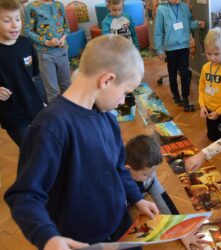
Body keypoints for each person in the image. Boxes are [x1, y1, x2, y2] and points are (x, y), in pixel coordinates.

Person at [5, 35, 159, 250]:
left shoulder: (108, 119)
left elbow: (119, 168)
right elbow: (24, 195)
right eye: (125, 93)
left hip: (121, 227)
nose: (123, 101)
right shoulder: (50, 127)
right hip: (82, 241)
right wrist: (48, 238)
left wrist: (136, 198)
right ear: (106, 80)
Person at [125, 134, 208, 250]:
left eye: (153, 171)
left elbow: (162, 199)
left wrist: (181, 230)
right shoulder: (115, 186)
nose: (150, 176)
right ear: (127, 168)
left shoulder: (148, 175)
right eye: (145, 174)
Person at [0, 0, 45, 147]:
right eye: (7, 20)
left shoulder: (26, 43)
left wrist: (42, 101)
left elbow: (35, 76)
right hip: (13, 115)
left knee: (45, 145)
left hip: (36, 108)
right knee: (30, 151)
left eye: (18, 19)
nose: (15, 25)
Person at [154, 0, 204, 111]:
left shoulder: (184, 7)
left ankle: (185, 97)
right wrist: (159, 49)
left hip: (183, 46)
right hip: (170, 48)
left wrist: (197, 24)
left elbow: (189, 23)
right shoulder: (161, 10)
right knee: (172, 73)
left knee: (185, 73)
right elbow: (158, 31)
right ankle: (176, 95)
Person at [24, 0, 71, 103]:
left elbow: (66, 27)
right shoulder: (31, 7)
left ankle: (69, 114)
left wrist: (64, 37)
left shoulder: (59, 5)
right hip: (45, 54)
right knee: (52, 90)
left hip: (62, 51)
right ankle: (55, 116)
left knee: (67, 86)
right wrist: (47, 42)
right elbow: (27, 32)